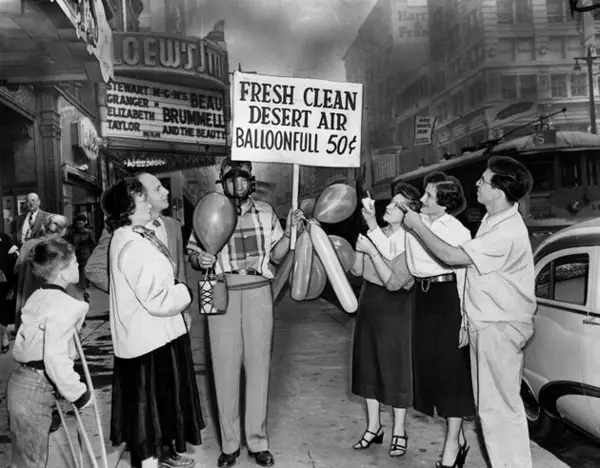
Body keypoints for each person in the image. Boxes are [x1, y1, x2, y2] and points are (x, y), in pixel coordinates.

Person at [402, 157, 536, 468]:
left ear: (498, 191)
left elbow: (451, 257)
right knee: (492, 410)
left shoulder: (505, 232)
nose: (476, 184)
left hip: (498, 327)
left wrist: (417, 226)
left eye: (484, 181)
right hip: (487, 324)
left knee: (499, 412)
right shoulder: (494, 219)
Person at [187, 157, 303, 468]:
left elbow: (276, 256)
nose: (237, 183)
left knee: (258, 366)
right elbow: (194, 253)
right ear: (221, 179)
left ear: (251, 179)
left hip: (257, 289)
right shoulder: (210, 208)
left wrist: (290, 233)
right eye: (230, 176)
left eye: (242, 177)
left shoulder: (266, 211)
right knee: (223, 368)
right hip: (218, 288)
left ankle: (258, 441)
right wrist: (201, 260)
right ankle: (229, 444)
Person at [85, 172, 194, 468]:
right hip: (149, 341)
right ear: (128, 208)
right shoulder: (132, 243)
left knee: (154, 411)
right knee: (148, 415)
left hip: (153, 337)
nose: (148, 202)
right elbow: (156, 299)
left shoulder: (134, 235)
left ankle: (155, 459)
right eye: (142, 198)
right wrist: (184, 294)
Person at [403, 172, 474, 468]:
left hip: (448, 299)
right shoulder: (414, 224)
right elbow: (404, 259)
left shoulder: (458, 231)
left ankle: (451, 446)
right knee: (431, 370)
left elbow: (466, 277)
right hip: (423, 298)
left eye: (429, 196)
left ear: (444, 203)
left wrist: (465, 318)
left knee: (451, 373)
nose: (422, 199)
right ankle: (459, 440)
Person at [7, 237, 93, 468]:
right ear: (63, 274)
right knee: (31, 461)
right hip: (35, 388)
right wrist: (79, 393)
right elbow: (55, 357)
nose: (78, 265)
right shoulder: (63, 306)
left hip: (21, 383)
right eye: (74, 263)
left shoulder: (38, 296)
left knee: (25, 459)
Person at [349, 182, 421, 458]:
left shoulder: (411, 241)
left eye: (396, 205)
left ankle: (399, 430)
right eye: (390, 202)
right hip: (370, 302)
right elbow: (357, 271)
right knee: (368, 364)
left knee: (395, 367)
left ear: (408, 213)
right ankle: (373, 426)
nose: (388, 207)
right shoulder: (377, 234)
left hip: (396, 307)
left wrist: (372, 250)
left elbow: (394, 282)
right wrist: (360, 251)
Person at [85, 172, 187, 293]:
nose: (166, 191)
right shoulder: (118, 229)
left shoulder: (173, 225)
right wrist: (125, 291)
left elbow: (180, 272)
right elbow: (94, 269)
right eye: (157, 189)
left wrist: (183, 297)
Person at [14, 215, 78, 333]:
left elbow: (16, 270)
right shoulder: (60, 248)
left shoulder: (27, 245)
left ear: (44, 227)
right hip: (51, 304)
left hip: (28, 299)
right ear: (64, 230)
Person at [67, 213, 96, 301]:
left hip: (85, 257)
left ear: (84, 223)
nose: (79, 226)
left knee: (83, 276)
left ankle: (84, 294)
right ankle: (81, 294)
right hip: (75, 257)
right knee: (76, 276)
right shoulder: (72, 233)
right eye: (77, 224)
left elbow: (92, 245)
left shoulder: (88, 233)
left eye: (81, 223)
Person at [0, 233, 19, 352]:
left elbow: (15, 256)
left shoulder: (5, 238)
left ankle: (4, 336)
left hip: (4, 283)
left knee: (4, 310)